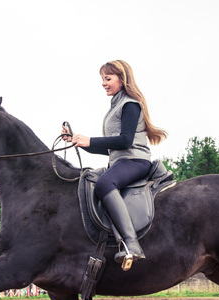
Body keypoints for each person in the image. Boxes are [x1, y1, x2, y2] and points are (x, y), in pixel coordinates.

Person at [62, 60, 167, 267]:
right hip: (120, 162)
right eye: (102, 79)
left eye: (107, 78)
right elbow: (111, 149)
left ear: (122, 79)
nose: (103, 83)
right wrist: (78, 140)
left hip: (135, 161)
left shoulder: (130, 104)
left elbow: (125, 141)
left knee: (104, 184)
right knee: (89, 180)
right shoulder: (116, 106)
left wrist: (90, 140)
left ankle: (131, 244)